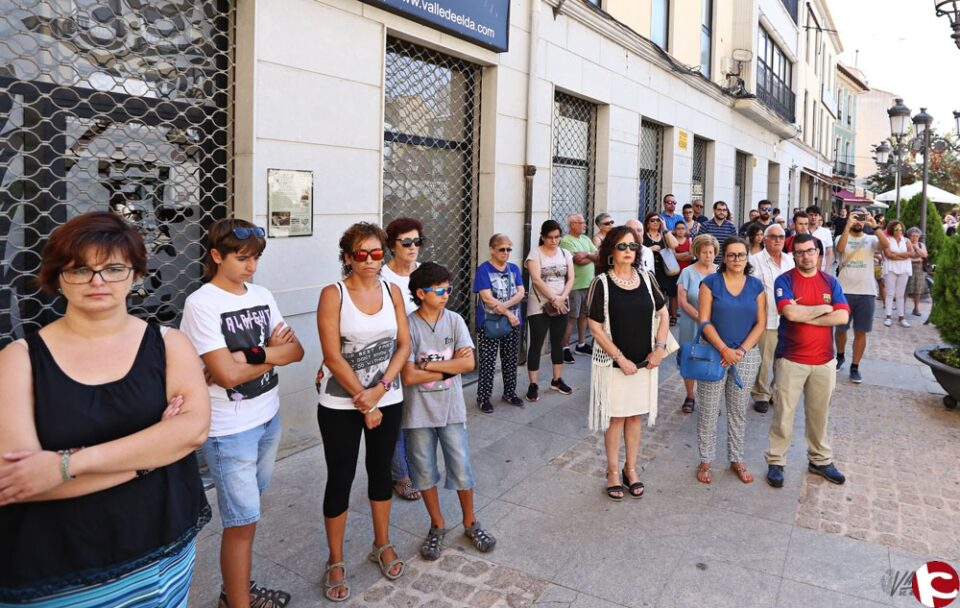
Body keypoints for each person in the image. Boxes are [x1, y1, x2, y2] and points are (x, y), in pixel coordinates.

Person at [0, 211, 211, 606]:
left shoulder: (169, 345)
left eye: (113, 268)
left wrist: (65, 465)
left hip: (164, 547)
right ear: (58, 278)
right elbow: (19, 482)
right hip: (66, 571)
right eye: (80, 270)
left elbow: (193, 431)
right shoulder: (20, 359)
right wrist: (153, 455)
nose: (97, 281)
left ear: (135, 275)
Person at [180, 218, 303, 608]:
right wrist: (270, 355)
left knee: (248, 514)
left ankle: (235, 590)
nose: (251, 266)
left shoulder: (262, 294)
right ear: (216, 256)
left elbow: (296, 351)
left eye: (256, 258)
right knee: (241, 522)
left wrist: (249, 354)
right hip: (229, 430)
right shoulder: (202, 304)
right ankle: (238, 602)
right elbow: (225, 374)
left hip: (269, 417)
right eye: (242, 258)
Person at [315, 222, 411, 601]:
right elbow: (331, 356)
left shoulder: (392, 291)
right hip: (341, 401)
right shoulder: (333, 294)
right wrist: (363, 398)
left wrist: (381, 388)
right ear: (347, 257)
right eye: (362, 254)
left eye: (377, 253)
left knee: (380, 472)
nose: (371, 261)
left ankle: (381, 543)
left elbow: (403, 345)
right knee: (340, 477)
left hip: (387, 395)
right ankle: (335, 559)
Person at [401, 262, 497, 560]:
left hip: (452, 410)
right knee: (423, 470)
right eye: (439, 290)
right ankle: (437, 524)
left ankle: (470, 521)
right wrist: (447, 368)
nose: (445, 294)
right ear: (420, 293)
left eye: (448, 289)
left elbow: (468, 365)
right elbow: (408, 376)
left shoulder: (454, 320)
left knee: (461, 466)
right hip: (417, 413)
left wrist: (427, 365)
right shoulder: (408, 324)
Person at [586, 225, 669, 500]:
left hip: (645, 362)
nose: (628, 251)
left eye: (633, 246)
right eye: (622, 246)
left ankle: (630, 469)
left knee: (635, 417)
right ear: (610, 250)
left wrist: (659, 348)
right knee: (616, 418)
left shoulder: (646, 278)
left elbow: (664, 314)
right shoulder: (602, 283)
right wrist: (619, 358)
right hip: (615, 363)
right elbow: (595, 327)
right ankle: (612, 472)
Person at [765, 233, 850, 489]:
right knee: (783, 413)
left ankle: (820, 459)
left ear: (818, 253)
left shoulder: (830, 282)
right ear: (794, 255)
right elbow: (788, 311)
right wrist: (825, 309)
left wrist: (806, 315)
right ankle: (777, 460)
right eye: (800, 252)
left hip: (824, 360)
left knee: (819, 414)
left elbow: (842, 318)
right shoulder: (785, 280)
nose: (805, 256)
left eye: (810, 251)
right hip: (791, 359)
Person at [694, 237, 765, 485]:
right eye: (732, 255)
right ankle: (705, 460)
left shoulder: (756, 286)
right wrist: (724, 349)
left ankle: (736, 458)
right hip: (713, 354)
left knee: (738, 410)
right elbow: (703, 320)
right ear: (724, 257)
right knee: (708, 409)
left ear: (747, 258)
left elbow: (761, 323)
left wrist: (741, 351)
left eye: (741, 255)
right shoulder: (711, 283)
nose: (737, 259)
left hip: (745, 356)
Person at [380, 217, 425, 502]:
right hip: (392, 356)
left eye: (417, 241)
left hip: (422, 358)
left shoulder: (424, 273)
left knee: (415, 418)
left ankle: (413, 467)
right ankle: (401, 476)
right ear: (391, 246)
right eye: (406, 242)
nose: (412, 247)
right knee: (395, 420)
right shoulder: (383, 278)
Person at [834, 209, 889, 383]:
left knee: (861, 332)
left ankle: (855, 366)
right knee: (841, 329)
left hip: (866, 293)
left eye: (861, 218)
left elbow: (886, 245)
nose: (859, 221)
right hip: (844, 291)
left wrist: (875, 227)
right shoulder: (841, 237)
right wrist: (847, 225)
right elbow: (840, 248)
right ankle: (840, 355)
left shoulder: (871, 239)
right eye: (855, 217)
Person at [473, 234, 525, 413]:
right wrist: (509, 313)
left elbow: (521, 292)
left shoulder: (514, 269)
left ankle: (509, 393)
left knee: (510, 360)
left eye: (508, 249)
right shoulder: (484, 270)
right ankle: (483, 398)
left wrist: (505, 308)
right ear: (492, 250)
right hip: (490, 323)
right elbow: (486, 297)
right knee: (487, 362)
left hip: (512, 322)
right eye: (502, 249)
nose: (506, 252)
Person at [525, 220, 575, 401]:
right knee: (537, 344)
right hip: (539, 305)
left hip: (561, 304)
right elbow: (536, 280)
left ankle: (557, 379)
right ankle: (533, 384)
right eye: (550, 238)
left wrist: (562, 298)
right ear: (543, 237)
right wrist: (554, 299)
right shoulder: (535, 254)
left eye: (557, 237)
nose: (554, 241)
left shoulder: (565, 253)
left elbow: (570, 278)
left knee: (558, 342)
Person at [748, 223, 794, 414]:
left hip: (788, 319)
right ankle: (760, 394)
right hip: (766, 319)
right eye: (773, 237)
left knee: (783, 360)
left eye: (781, 237)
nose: (777, 240)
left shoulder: (789, 260)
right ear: (764, 239)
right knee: (765, 360)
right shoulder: (754, 260)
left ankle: (775, 392)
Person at [676, 234, 719, 414]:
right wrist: (700, 318)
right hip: (691, 322)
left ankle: (710, 398)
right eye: (704, 252)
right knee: (690, 357)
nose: (708, 256)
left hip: (715, 325)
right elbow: (682, 301)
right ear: (697, 252)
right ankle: (690, 395)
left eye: (711, 252)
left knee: (712, 359)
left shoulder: (720, 272)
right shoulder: (688, 272)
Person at [560, 213, 599, 362]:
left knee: (584, 315)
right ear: (572, 225)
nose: (584, 225)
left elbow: (598, 255)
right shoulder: (566, 241)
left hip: (589, 284)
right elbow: (577, 260)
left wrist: (587, 255)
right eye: (581, 222)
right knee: (571, 317)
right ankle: (565, 347)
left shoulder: (586, 239)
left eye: (584, 222)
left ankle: (581, 344)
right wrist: (590, 257)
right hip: (574, 285)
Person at [641, 211, 680, 323]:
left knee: (671, 292)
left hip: (665, 268)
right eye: (652, 220)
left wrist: (665, 228)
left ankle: (671, 316)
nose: (655, 222)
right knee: (653, 294)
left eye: (658, 220)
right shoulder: (643, 236)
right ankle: (654, 316)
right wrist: (650, 249)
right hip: (651, 270)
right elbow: (638, 249)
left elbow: (675, 245)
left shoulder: (664, 235)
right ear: (647, 223)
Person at [881, 219, 914, 328]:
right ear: (892, 229)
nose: (899, 231)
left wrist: (897, 255)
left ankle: (901, 317)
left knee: (901, 294)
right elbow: (889, 255)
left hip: (904, 269)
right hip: (891, 268)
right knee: (890, 293)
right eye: (896, 229)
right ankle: (888, 316)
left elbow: (911, 253)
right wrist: (903, 255)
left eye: (900, 228)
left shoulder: (907, 241)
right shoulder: (887, 240)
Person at [905, 227, 929, 318]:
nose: (915, 238)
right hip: (907, 267)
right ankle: (902, 308)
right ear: (909, 236)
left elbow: (924, 255)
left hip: (919, 269)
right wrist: (916, 259)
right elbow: (904, 256)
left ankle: (916, 308)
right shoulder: (906, 243)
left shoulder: (920, 245)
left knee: (917, 290)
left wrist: (916, 247)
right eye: (913, 236)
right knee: (905, 288)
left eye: (917, 236)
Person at [806, 205, 834, 272]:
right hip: (804, 268)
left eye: (816, 215)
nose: (813, 217)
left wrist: (827, 269)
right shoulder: (802, 231)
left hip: (821, 269)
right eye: (811, 215)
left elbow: (829, 252)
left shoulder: (826, 232)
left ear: (819, 217)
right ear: (807, 216)